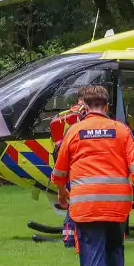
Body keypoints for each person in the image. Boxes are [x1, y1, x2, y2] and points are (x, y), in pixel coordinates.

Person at [51, 85, 134, 266]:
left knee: (92, 251)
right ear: (107, 106)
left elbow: (60, 172)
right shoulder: (121, 130)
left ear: (84, 106)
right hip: (117, 205)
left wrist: (62, 194)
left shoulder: (74, 132)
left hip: (86, 204)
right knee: (114, 248)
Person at [49, 99, 87, 248]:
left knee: (74, 206)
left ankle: (69, 236)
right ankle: (71, 236)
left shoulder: (70, 131)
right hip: (77, 173)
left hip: (73, 173)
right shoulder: (77, 131)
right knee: (75, 207)